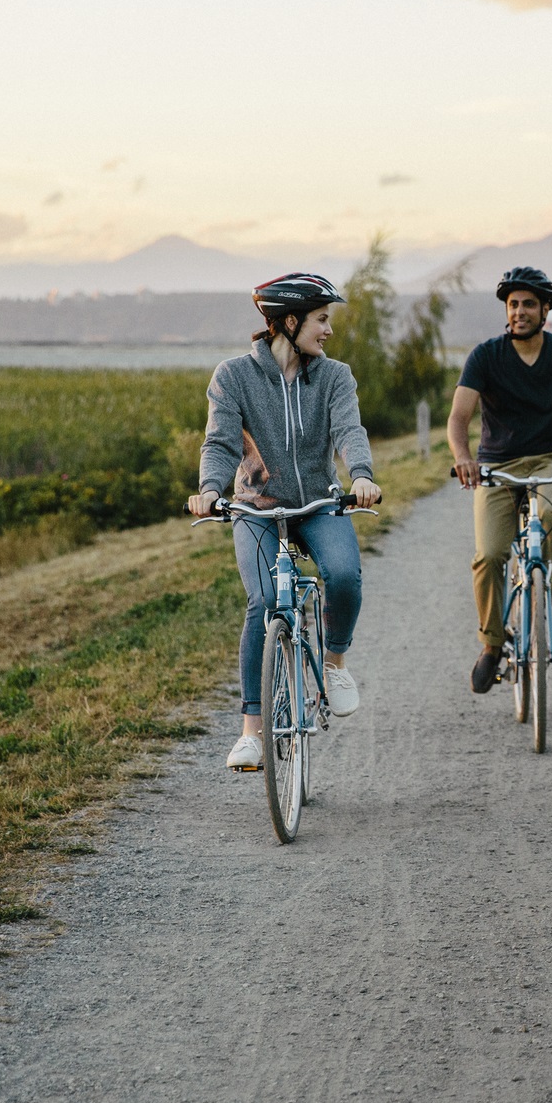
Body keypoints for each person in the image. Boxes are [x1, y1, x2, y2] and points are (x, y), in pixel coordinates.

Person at [188, 273, 382, 771]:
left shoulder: (335, 376)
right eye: (322, 320)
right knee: (265, 602)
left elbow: (349, 429)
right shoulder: (232, 377)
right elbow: (221, 442)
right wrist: (210, 490)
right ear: (289, 322)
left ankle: (334, 664)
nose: (329, 331)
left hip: (318, 503)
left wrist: (361, 476)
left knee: (342, 574)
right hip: (254, 508)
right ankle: (252, 731)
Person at [447, 266, 552, 694]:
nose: (520, 311)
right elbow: (459, 417)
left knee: (551, 515)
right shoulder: (486, 355)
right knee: (489, 553)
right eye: (513, 304)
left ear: (545, 310)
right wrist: (463, 458)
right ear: (506, 309)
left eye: (529, 305)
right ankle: (491, 646)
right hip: (496, 466)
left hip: (549, 460)